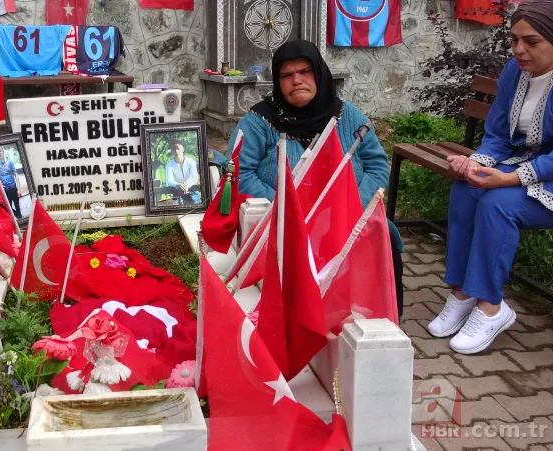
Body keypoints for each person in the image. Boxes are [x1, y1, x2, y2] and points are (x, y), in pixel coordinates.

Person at [231, 39, 404, 317]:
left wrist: (350, 206)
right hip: (287, 225)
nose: (296, 80)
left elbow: (377, 166)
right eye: (287, 75)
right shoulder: (259, 121)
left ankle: (380, 319)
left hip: (346, 218)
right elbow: (239, 174)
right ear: (277, 81)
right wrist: (290, 209)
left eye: (304, 72)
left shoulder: (347, 115)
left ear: (319, 75)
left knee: (382, 239)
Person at [427, 0, 553, 354]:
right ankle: (464, 292)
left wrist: (511, 179)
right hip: (523, 164)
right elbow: (498, 132)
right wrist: (477, 163)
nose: (519, 50)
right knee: (468, 188)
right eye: (514, 40)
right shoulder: (516, 72)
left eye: (532, 42)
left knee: (498, 203)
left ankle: (491, 306)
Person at [164, 139, 200, 205]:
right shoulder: (169, 164)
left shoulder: (191, 161)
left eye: (178, 149)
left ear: (183, 149)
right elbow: (169, 181)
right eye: (174, 149)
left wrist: (186, 185)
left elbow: (194, 176)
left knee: (197, 206)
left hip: (192, 189)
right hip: (178, 191)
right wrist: (178, 185)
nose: (176, 151)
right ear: (172, 151)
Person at [0, 147, 23, 218]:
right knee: (9, 209)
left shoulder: (10, 162)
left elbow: (16, 175)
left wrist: (19, 189)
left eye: (0, 151)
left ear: (3, 151)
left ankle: (20, 220)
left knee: (17, 208)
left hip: (13, 188)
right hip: (5, 190)